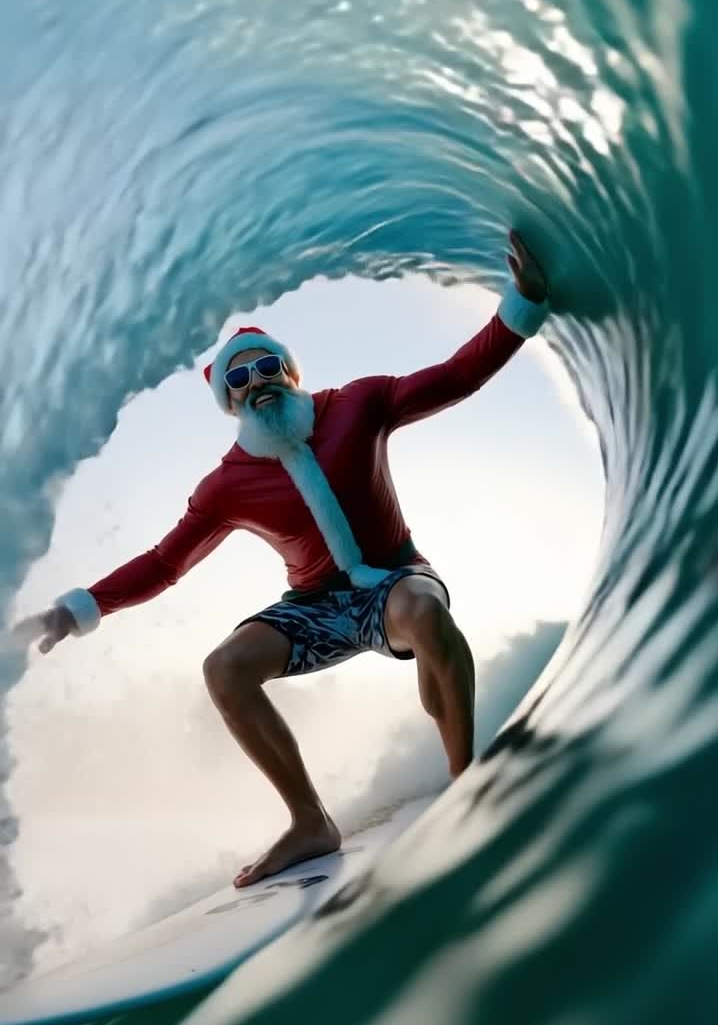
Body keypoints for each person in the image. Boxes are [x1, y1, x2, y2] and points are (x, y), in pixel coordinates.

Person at [17, 230, 549, 888]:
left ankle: (465, 783)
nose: (257, 382)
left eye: (268, 367)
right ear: (230, 402)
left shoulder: (360, 404)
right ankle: (309, 823)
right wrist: (73, 612)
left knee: (427, 617)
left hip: (394, 578)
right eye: (239, 379)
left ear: (290, 373)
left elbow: (456, 376)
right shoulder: (227, 483)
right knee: (225, 669)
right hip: (312, 608)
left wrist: (521, 304)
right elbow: (163, 565)